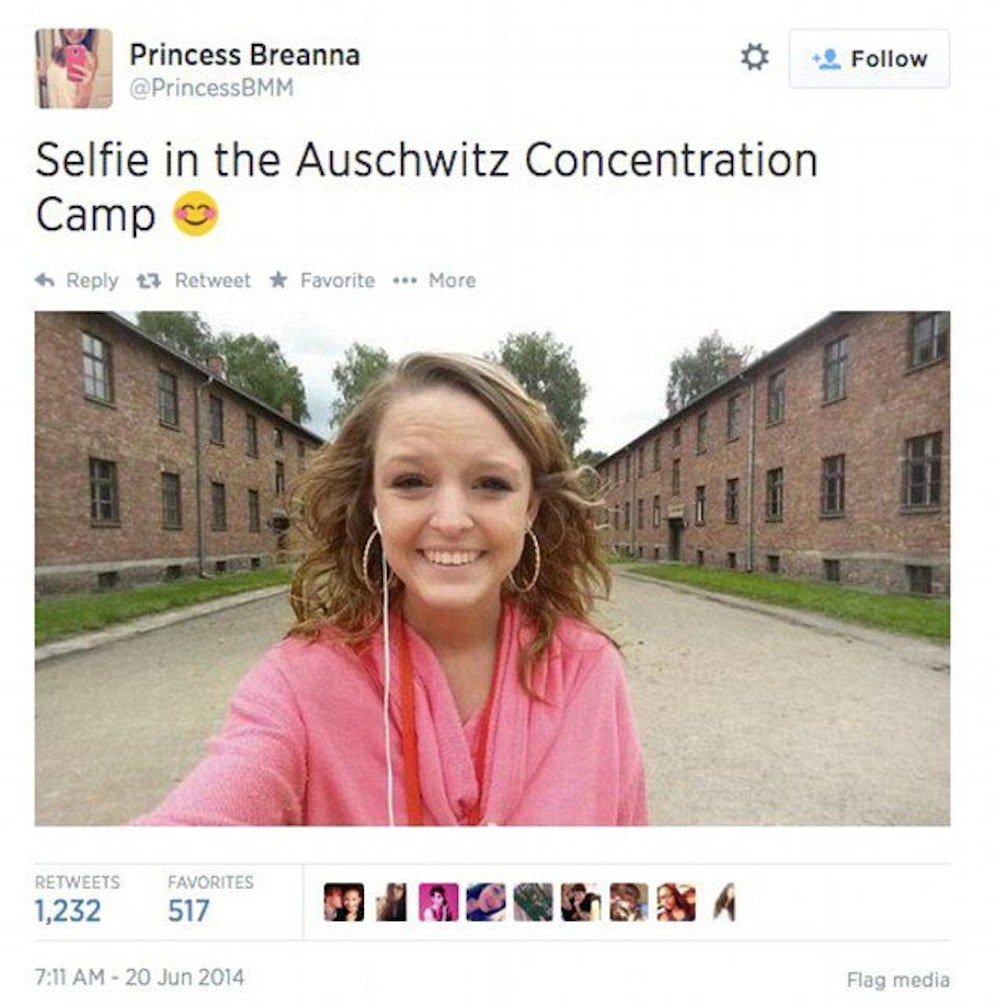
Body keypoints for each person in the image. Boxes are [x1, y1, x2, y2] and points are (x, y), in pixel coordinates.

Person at [135, 353, 648, 826]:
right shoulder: (298, 686)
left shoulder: (589, 671)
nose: (450, 520)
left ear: (530, 506)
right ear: (373, 501)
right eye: (411, 482)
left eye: (491, 484)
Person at [37, 29, 98, 108]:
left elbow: (81, 107)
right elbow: (60, 86)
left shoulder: (89, 59)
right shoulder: (57, 52)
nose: (76, 30)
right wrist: (42, 76)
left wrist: (86, 90)